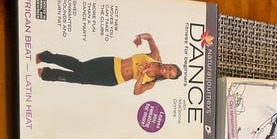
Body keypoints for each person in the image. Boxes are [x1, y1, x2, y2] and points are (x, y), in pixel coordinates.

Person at [36, 32, 182, 95]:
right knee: (80, 67)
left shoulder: (152, 82)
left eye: (170, 74)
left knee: (81, 79)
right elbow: (149, 37)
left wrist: (142, 74)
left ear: (168, 78)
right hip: (112, 64)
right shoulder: (156, 56)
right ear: (169, 64)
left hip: (113, 79)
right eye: (170, 68)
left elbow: (137, 92)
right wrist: (139, 36)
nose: (167, 70)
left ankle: (47, 74)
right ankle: (45, 56)